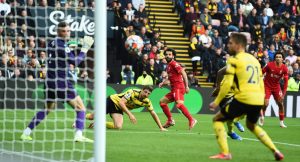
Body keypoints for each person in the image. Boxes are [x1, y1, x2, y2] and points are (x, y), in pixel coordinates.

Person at [209, 33, 284, 160]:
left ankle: (225, 152)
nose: (228, 45)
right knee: (252, 126)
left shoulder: (234, 60)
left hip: (243, 98)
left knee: (217, 119)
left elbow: (226, 83)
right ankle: (276, 151)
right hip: (257, 99)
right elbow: (261, 81)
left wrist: (217, 101)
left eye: (231, 43)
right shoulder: (254, 60)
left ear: (238, 45)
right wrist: (261, 101)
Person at [20, 22, 94, 143]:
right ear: (58, 32)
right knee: (81, 108)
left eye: (68, 31)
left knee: (47, 108)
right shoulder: (61, 45)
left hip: (49, 82)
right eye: (64, 31)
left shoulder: (52, 43)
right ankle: (78, 135)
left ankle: (26, 133)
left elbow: (62, 56)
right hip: (60, 82)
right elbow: (74, 62)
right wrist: (84, 49)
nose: (67, 33)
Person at [85, 86, 167, 131]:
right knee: (92, 116)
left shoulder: (147, 101)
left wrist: (161, 127)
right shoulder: (132, 92)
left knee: (118, 126)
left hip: (118, 108)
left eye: (148, 93)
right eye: (145, 92)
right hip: (112, 101)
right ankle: (78, 120)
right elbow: (121, 102)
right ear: (141, 90)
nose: (146, 94)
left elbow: (153, 113)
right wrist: (130, 114)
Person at [158, 48, 197, 130]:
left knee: (179, 104)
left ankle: (191, 119)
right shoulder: (168, 66)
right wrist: (163, 83)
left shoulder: (174, 63)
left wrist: (187, 86)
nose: (167, 56)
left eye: (169, 54)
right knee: (162, 102)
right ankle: (170, 120)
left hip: (178, 87)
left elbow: (184, 73)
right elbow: (170, 79)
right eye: (166, 54)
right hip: (174, 89)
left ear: (173, 56)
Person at [211, 66, 245, 141]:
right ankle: (231, 132)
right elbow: (220, 72)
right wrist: (217, 87)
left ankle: (236, 122)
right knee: (230, 114)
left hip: (235, 93)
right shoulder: (232, 67)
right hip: (225, 95)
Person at [259, 52, 289, 128]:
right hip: (267, 86)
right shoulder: (269, 65)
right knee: (266, 104)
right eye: (277, 57)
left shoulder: (284, 68)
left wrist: (283, 94)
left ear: (282, 59)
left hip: (276, 87)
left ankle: (281, 122)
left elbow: (286, 83)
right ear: (275, 58)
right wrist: (259, 80)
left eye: (280, 57)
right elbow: (261, 72)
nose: (278, 58)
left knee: (280, 104)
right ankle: (262, 116)